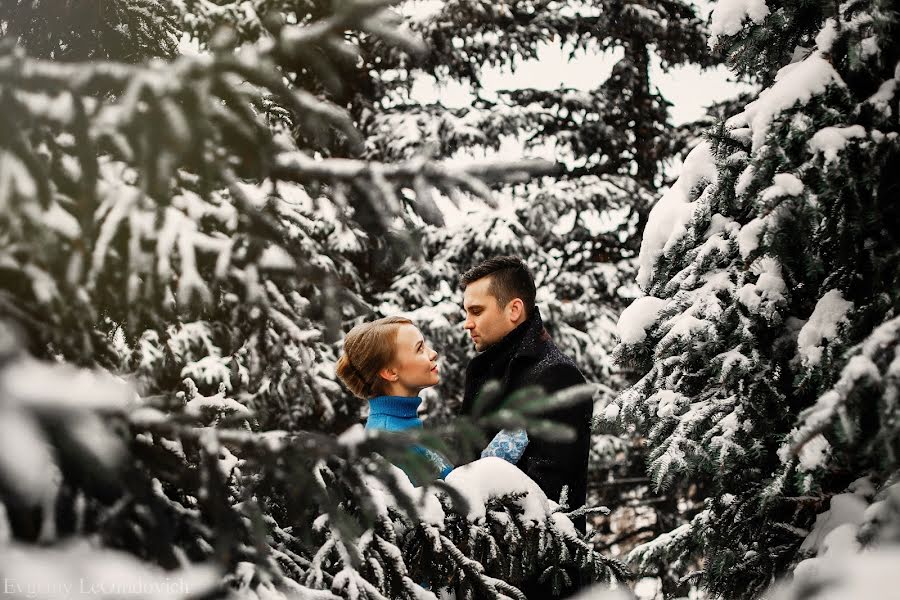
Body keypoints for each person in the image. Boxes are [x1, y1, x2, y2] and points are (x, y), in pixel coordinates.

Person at [460, 256, 592, 533]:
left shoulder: (555, 377)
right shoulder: (489, 370)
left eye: (476, 311)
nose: (467, 324)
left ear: (514, 309)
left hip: (536, 563)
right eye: (467, 312)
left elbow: (548, 495)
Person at [335, 316, 452, 484]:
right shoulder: (391, 443)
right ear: (390, 372)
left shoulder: (403, 425)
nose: (433, 353)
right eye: (419, 349)